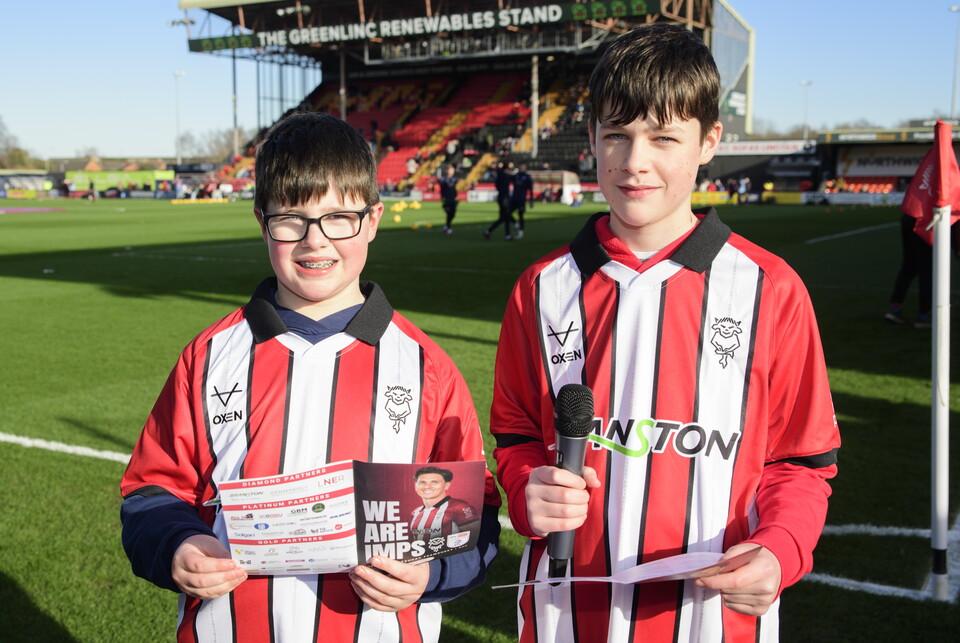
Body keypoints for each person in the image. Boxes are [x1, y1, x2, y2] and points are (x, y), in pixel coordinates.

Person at [489, 23, 839, 643]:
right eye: (616, 135)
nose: (634, 162)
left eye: (664, 138)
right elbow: (517, 436)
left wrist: (782, 548)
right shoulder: (540, 289)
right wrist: (525, 490)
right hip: (566, 613)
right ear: (592, 136)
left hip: (713, 617)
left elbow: (801, 459)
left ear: (709, 142)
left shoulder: (771, 289)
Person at [119, 111, 501, 643]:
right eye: (290, 220)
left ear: (371, 220)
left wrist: (432, 573)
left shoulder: (426, 367)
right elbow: (151, 489)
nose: (314, 241)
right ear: (262, 222)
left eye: (339, 217)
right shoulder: (209, 357)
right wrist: (177, 546)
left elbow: (474, 516)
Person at [885, 213, 932, 328]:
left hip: (910, 217)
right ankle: (924, 315)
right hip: (926, 220)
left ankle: (895, 308)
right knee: (926, 271)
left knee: (909, 267)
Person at [409, 466, 480, 540]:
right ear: (416, 486)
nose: (427, 486)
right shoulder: (415, 512)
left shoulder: (460, 507)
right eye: (422, 482)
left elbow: (473, 539)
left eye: (434, 482)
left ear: (446, 485)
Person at [483, 160, 516, 241]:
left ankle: (488, 231)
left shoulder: (500, 175)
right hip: (504, 198)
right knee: (507, 216)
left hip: (501, 197)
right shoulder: (503, 175)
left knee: (502, 218)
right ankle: (507, 235)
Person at [510, 162, 534, 239]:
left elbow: (530, 190)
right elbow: (508, 179)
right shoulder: (516, 176)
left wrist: (531, 200)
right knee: (507, 213)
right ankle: (515, 223)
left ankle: (521, 231)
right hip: (514, 199)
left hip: (522, 200)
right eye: (521, 167)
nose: (522, 168)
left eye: (524, 167)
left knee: (521, 215)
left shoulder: (527, 177)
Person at [438, 164, 459, 236]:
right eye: (451, 170)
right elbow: (442, 190)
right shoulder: (443, 179)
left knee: (453, 214)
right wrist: (443, 199)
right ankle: (448, 229)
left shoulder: (454, 179)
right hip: (447, 199)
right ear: (447, 170)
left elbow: (454, 189)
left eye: (453, 170)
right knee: (449, 213)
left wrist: (456, 197)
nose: (452, 171)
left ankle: (446, 226)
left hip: (453, 198)